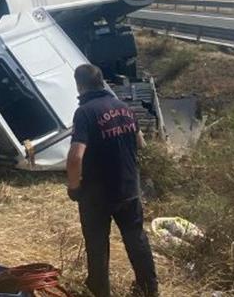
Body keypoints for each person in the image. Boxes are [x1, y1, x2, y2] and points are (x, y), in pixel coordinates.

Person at [66, 64, 158, 297]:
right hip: (129, 188)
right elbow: (141, 145)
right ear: (102, 82)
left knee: (97, 245)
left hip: (97, 195)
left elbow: (76, 157)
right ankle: (149, 289)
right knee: (136, 239)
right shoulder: (124, 108)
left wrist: (74, 188)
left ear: (80, 85)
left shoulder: (85, 112)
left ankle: (99, 290)